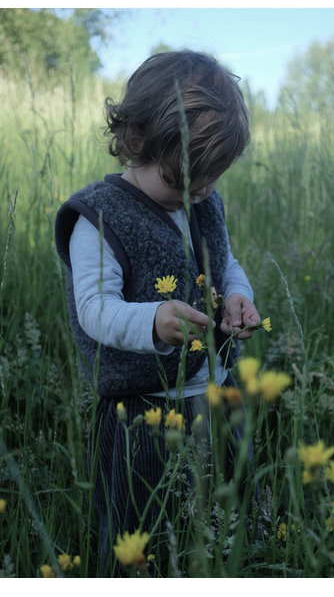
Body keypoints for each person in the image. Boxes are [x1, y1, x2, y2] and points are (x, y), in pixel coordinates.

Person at [54, 49, 261, 575]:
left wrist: (238, 295)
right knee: (136, 531)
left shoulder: (200, 198)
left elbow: (225, 263)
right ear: (135, 143)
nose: (197, 195)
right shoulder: (99, 219)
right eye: (181, 181)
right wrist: (151, 321)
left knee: (225, 520)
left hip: (215, 393)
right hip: (138, 412)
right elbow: (94, 309)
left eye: (209, 181)